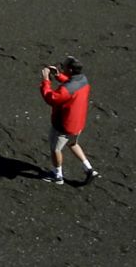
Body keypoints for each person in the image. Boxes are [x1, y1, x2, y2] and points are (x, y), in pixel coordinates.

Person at [39, 56, 98, 185]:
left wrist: (46, 80)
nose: (61, 67)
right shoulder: (83, 80)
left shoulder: (66, 89)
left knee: (55, 149)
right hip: (77, 124)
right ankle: (89, 169)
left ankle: (57, 175)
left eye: (63, 66)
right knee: (72, 144)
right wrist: (58, 75)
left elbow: (51, 98)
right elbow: (71, 84)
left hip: (63, 125)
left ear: (70, 70)